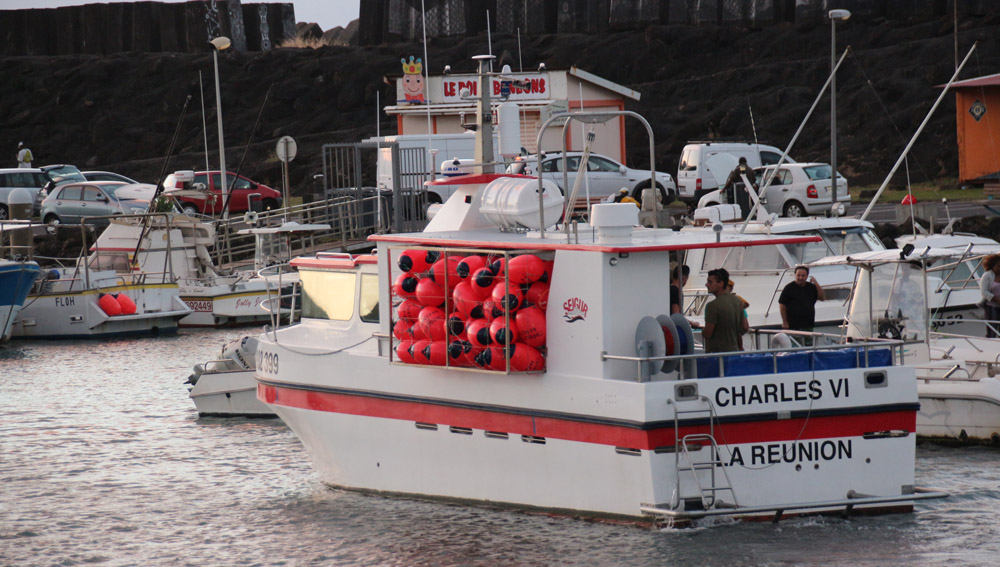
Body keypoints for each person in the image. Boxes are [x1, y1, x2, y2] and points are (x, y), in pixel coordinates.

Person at [703, 268, 748, 353]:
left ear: (720, 283)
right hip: (734, 351)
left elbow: (708, 333)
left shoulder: (712, 305)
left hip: (717, 354)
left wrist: (702, 331)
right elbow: (744, 327)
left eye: (710, 282)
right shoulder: (738, 301)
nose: (706, 285)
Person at [779, 266, 825, 344]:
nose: (800, 278)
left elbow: (822, 297)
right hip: (793, 325)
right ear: (795, 275)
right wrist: (784, 321)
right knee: (795, 347)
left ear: (807, 276)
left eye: (803, 276)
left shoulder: (811, 287)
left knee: (808, 346)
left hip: (808, 325)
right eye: (798, 275)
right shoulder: (789, 288)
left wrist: (816, 282)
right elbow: (782, 305)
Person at [979, 254, 1000, 338]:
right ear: (992, 266)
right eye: (998, 266)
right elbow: (984, 292)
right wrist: (996, 299)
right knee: (992, 330)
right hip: (992, 307)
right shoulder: (987, 275)